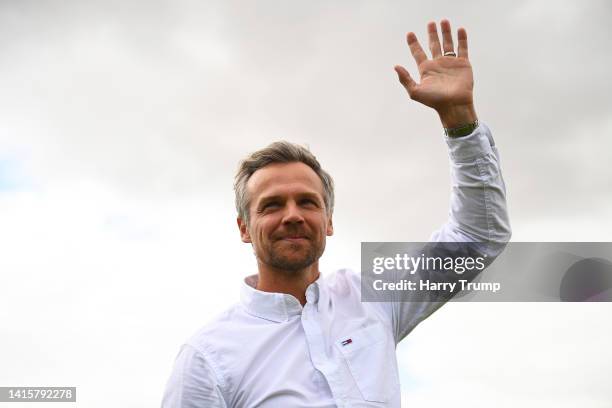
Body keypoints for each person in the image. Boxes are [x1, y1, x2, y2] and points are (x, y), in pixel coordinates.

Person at [162, 19, 511, 407]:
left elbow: (476, 239)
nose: (292, 215)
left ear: (328, 221)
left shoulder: (373, 299)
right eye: (272, 205)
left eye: (307, 202)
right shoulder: (206, 358)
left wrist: (460, 120)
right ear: (244, 228)